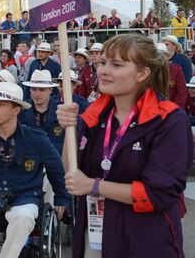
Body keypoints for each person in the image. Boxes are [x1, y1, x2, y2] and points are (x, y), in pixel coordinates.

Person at [57, 34, 193, 257]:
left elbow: (157, 194)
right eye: (102, 62)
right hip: (95, 237)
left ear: (142, 73)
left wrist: (94, 186)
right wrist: (68, 129)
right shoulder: (94, 114)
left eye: (117, 64)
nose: (104, 70)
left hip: (144, 239)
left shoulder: (169, 119)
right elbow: (72, 174)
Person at [0, 82, 69, 258]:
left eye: (1, 105)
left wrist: (62, 198)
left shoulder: (37, 139)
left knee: (23, 217)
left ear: (16, 110)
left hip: (25, 196)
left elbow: (56, 169)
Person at [156, 42, 187, 109]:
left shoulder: (175, 69)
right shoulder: (147, 70)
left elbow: (182, 92)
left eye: (163, 54)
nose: (160, 57)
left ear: (166, 56)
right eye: (157, 54)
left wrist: (174, 109)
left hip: (171, 108)